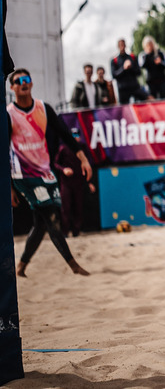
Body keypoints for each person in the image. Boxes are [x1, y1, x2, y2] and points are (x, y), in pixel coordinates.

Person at [7, 69, 91, 276]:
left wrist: (83, 159)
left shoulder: (43, 108)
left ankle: (21, 266)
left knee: (40, 224)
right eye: (18, 81)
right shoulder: (8, 114)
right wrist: (9, 187)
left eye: (26, 79)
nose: (23, 83)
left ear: (31, 83)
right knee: (51, 217)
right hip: (24, 175)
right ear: (12, 87)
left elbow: (65, 134)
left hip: (45, 172)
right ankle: (73, 265)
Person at [111, 38, 147, 104]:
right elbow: (114, 75)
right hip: (122, 90)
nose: (122, 47)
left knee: (144, 99)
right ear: (118, 46)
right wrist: (123, 68)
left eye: (123, 45)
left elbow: (138, 72)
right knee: (124, 107)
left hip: (134, 87)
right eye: (120, 45)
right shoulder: (114, 60)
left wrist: (131, 67)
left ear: (125, 45)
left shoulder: (132, 57)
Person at [139, 35, 165, 99]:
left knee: (163, 98)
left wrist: (160, 62)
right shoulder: (143, 55)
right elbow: (142, 66)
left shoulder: (160, 53)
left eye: (151, 44)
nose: (150, 46)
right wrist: (147, 55)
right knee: (152, 99)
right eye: (148, 45)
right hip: (150, 82)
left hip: (161, 80)